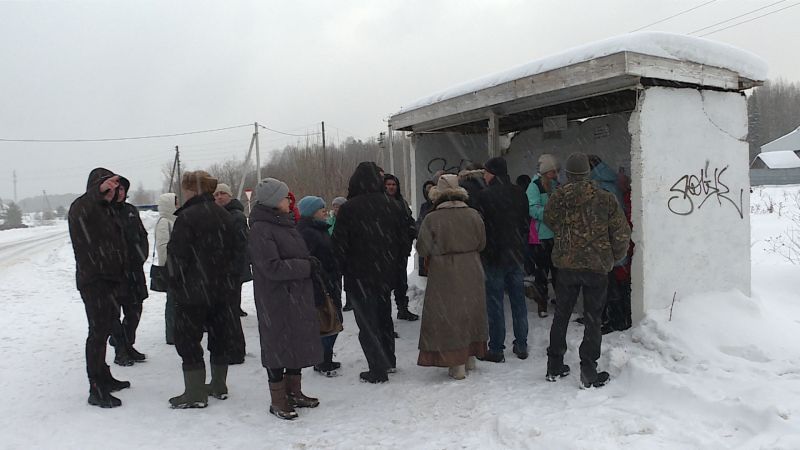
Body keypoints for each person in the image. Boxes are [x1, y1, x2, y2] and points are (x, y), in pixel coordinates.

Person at [543, 152, 631, 389]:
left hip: (566, 265)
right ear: (588, 173)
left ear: (568, 175)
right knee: (593, 319)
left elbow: (548, 220)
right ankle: (589, 371)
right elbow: (622, 233)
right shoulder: (605, 198)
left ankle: (554, 364)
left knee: (561, 315)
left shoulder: (558, 197)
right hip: (596, 267)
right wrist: (613, 257)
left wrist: (567, 238)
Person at [249, 178, 323, 420]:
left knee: (296, 342)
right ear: (272, 201)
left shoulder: (285, 223)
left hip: (296, 295)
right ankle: (278, 400)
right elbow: (271, 267)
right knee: (277, 347)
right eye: (284, 197)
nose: (288, 201)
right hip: (276, 299)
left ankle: (295, 393)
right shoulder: (261, 229)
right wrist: (306, 266)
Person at [332, 162, 409, 383]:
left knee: (367, 323)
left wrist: (340, 270)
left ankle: (377, 368)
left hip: (359, 276)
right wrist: (395, 263)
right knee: (384, 317)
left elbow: (339, 245)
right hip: (385, 272)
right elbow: (403, 240)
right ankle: (389, 360)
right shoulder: (392, 205)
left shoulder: (349, 208)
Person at [167, 171, 237, 409]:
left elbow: (177, 258)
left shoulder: (186, 218)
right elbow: (237, 253)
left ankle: (195, 393)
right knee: (219, 338)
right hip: (221, 290)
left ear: (191, 190)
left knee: (188, 340)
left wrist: (174, 283)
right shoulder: (224, 215)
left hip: (192, 292)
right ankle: (219, 385)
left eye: (184, 188)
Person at [68, 168, 130, 408]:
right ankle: (96, 388)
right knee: (97, 334)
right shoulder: (83, 208)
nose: (113, 191)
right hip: (94, 280)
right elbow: (82, 206)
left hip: (111, 280)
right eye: (108, 187)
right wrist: (98, 191)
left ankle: (104, 376)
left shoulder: (107, 211)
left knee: (104, 331)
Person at [416, 175, 488, 380]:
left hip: (444, 272)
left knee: (448, 316)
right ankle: (470, 356)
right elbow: (482, 243)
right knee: (470, 312)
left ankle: (456, 363)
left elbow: (422, 248)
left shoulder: (432, 218)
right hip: (472, 268)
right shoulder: (473, 215)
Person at [475, 157, 530, 362]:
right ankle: (521, 344)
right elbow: (526, 223)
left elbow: (481, 227)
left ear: (494, 173)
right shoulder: (519, 193)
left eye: (486, 172)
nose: (484, 175)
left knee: (495, 303)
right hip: (516, 254)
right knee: (518, 301)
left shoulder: (484, 196)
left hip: (494, 256)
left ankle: (497, 348)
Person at [297, 196, 343, 377]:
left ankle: (326, 358)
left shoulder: (319, 228)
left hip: (328, 280)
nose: (325, 211)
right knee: (328, 320)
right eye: (320, 208)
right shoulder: (308, 232)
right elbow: (308, 259)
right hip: (320, 283)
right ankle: (322, 360)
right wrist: (322, 275)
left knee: (332, 319)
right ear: (311, 211)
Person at [109, 176, 149, 366]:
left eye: (122, 189)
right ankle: (120, 350)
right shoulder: (104, 212)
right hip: (114, 274)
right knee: (114, 314)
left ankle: (128, 343)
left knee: (135, 310)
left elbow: (142, 236)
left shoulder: (131, 211)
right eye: (116, 189)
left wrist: (141, 256)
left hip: (134, 271)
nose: (119, 193)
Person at [213, 183, 252, 365]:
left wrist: (231, 270)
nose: (219, 197)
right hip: (224, 272)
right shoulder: (221, 214)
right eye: (216, 194)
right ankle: (232, 347)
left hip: (231, 273)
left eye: (222, 194)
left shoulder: (235, 216)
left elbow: (240, 246)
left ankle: (236, 351)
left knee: (230, 313)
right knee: (227, 312)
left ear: (229, 196)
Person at [526, 153, 559, 318]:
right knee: (542, 272)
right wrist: (549, 214)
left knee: (558, 271)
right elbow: (532, 208)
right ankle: (542, 303)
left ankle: (560, 301)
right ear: (546, 172)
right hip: (541, 236)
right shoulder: (534, 186)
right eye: (553, 172)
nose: (556, 175)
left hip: (554, 235)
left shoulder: (554, 184)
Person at [384, 173, 418, 321]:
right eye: (388, 184)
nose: (391, 187)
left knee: (401, 282)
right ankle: (385, 317)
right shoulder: (381, 203)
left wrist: (412, 230)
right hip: (386, 250)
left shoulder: (401, 202)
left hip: (402, 249)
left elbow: (409, 220)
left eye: (394, 184)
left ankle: (402, 309)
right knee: (386, 284)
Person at [154, 192, 177, 345]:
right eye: (175, 202)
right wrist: (168, 265)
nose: (177, 205)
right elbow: (162, 247)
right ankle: (171, 335)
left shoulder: (172, 220)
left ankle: (175, 331)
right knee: (172, 302)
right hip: (171, 267)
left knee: (175, 301)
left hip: (174, 266)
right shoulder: (164, 222)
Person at [416, 180, 436, 277]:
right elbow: (420, 221)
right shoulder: (424, 206)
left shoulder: (437, 206)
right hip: (427, 242)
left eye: (431, 188)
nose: (429, 191)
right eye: (427, 188)